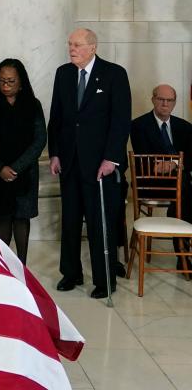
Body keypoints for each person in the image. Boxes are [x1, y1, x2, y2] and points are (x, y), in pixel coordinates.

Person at [49, 28, 131, 299]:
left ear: (93, 47)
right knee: (70, 221)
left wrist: (111, 158)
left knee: (99, 223)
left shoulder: (114, 74)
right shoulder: (63, 73)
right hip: (70, 162)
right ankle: (70, 273)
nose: (71, 49)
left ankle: (104, 279)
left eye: (77, 45)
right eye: (69, 44)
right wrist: (55, 154)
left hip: (100, 165)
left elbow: (120, 121)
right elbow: (57, 118)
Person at [0, 59, 46, 264]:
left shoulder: (33, 105)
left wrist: (15, 168)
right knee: (3, 216)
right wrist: (0, 168)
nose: (5, 86)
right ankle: (3, 264)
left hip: (24, 173)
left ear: (21, 82)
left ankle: (21, 265)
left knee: (21, 218)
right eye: (2, 81)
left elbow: (40, 139)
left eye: (10, 81)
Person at [130, 84, 192, 264]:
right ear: (153, 99)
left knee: (185, 192)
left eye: (170, 100)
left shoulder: (185, 127)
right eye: (161, 99)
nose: (165, 104)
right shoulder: (138, 125)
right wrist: (177, 165)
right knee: (185, 194)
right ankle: (183, 255)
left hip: (180, 182)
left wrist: (172, 164)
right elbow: (147, 162)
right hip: (151, 184)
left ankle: (183, 247)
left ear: (174, 103)